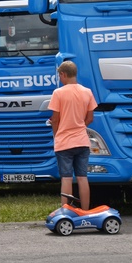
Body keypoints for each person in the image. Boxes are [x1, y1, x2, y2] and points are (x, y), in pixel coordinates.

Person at [48, 61, 97, 210]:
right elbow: (90, 118)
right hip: (82, 141)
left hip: (64, 142)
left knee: (67, 178)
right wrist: (79, 126)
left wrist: (57, 135)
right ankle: (86, 210)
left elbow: (55, 119)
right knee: (82, 178)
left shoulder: (58, 93)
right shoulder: (87, 92)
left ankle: (66, 210)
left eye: (59, 75)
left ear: (63, 74)